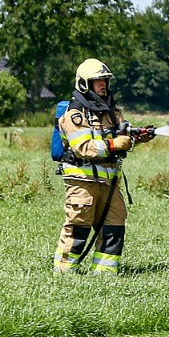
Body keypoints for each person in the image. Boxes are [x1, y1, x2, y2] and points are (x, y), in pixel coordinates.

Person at [53, 59, 154, 275]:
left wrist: (139, 137)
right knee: (78, 228)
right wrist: (112, 144)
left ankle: (104, 275)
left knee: (114, 226)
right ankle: (64, 273)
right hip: (82, 181)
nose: (103, 85)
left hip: (109, 182)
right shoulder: (74, 115)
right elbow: (83, 148)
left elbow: (122, 139)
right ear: (84, 84)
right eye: (97, 81)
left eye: (105, 80)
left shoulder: (112, 111)